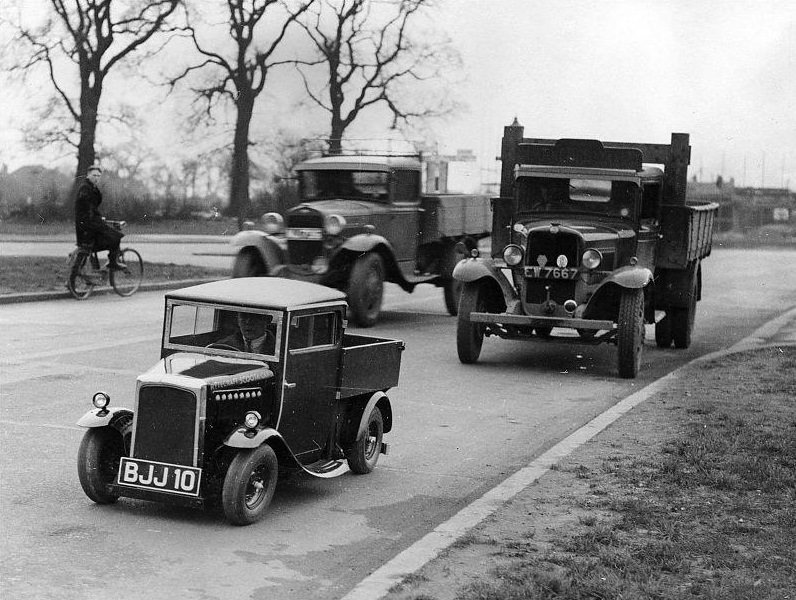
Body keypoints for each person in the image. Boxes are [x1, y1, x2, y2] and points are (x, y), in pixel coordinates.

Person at [74, 164, 125, 269]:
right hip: (89, 225)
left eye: (98, 176)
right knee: (116, 237)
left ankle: (102, 266)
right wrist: (97, 219)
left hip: (86, 225)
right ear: (88, 175)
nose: (96, 178)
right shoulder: (86, 188)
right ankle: (112, 263)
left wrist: (98, 217)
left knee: (107, 238)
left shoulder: (90, 187)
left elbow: (91, 207)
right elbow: (87, 207)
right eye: (94, 175)